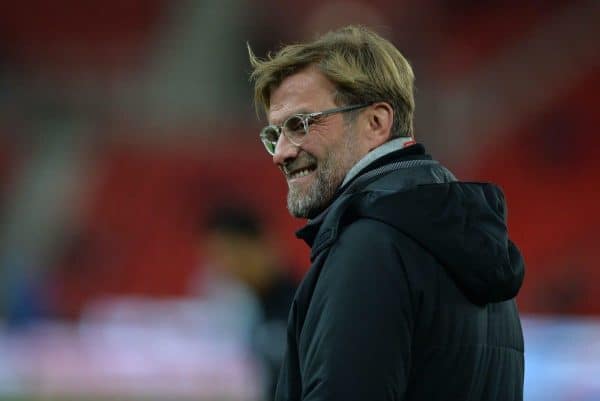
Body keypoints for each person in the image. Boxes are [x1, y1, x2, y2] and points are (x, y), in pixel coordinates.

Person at [247, 25, 525, 401]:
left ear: (376, 123)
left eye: (299, 125)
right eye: (274, 135)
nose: (281, 153)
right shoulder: (470, 248)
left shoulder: (370, 247)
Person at [194, 205, 297, 401]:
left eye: (227, 253)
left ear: (258, 246)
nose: (223, 266)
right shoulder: (248, 308)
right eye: (215, 257)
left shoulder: (300, 305)